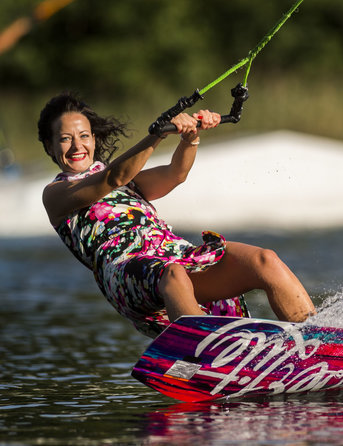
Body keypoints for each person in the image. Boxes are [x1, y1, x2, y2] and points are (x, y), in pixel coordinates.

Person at [38, 91, 316, 338]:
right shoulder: (56, 194)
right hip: (127, 272)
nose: (77, 146)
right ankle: (207, 354)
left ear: (94, 139)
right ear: (50, 147)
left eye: (84, 136)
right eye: (65, 139)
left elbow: (175, 173)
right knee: (173, 274)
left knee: (264, 260)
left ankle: (319, 342)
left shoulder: (130, 185)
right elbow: (113, 177)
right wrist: (158, 133)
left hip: (174, 255)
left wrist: (189, 137)